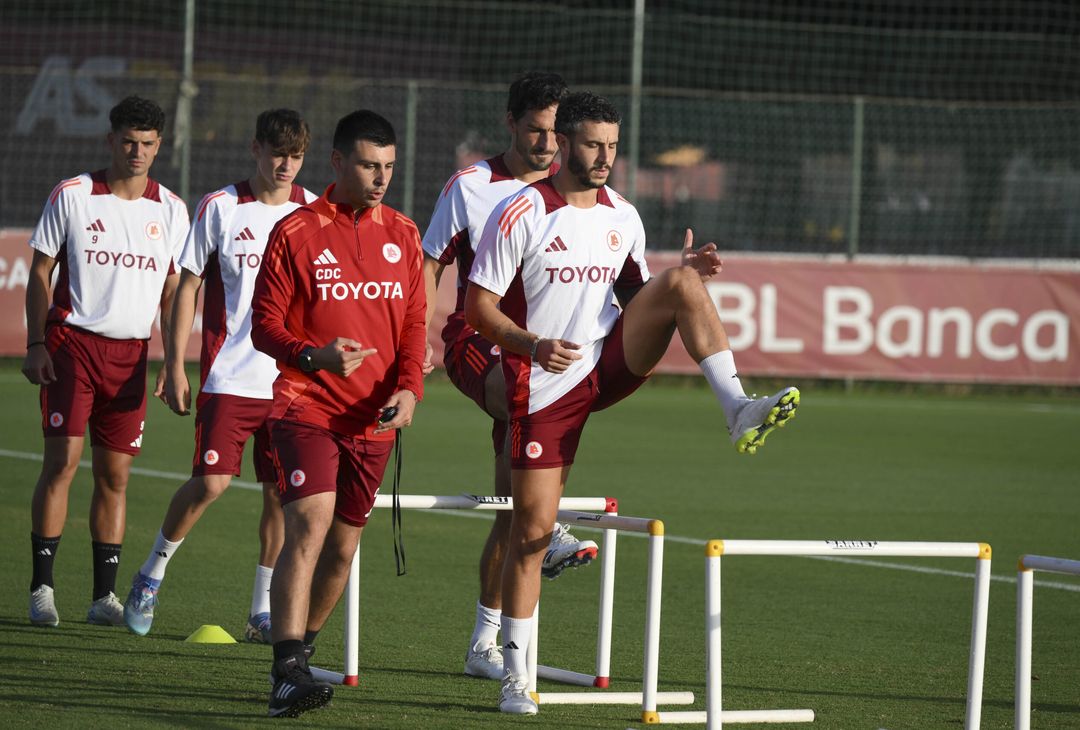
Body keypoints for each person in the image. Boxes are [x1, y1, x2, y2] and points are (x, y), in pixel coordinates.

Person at [464, 91, 801, 714]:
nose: (604, 158)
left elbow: (635, 292)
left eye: (613, 147)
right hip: (542, 383)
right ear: (563, 142)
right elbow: (476, 308)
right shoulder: (521, 212)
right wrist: (531, 345)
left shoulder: (623, 214)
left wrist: (683, 273)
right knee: (532, 532)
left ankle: (737, 409)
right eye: (593, 144)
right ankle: (516, 675)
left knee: (680, 282)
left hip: (606, 363)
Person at [422, 71, 598, 682]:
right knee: (524, 480)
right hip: (478, 339)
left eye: (557, 133)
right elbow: (430, 261)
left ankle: (484, 646)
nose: (549, 145)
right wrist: (412, 340)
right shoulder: (472, 186)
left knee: (508, 507)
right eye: (536, 130)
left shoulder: (573, 195)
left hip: (541, 356)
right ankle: (546, 527)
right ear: (511, 124)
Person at [250, 109, 426, 718]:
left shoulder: (403, 233)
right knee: (309, 526)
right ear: (337, 162)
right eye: (370, 165)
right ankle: (286, 670)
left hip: (374, 421)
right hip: (306, 407)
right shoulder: (296, 231)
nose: (381, 178)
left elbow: (412, 328)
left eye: (389, 167)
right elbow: (264, 328)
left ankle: (302, 658)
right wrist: (314, 355)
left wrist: (409, 392)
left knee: (345, 548)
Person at [122, 109, 318, 641]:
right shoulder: (221, 206)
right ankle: (151, 573)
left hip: (291, 384)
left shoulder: (315, 213)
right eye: (277, 153)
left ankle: (261, 611)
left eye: (296, 156)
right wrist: (175, 362)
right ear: (256, 149)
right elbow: (188, 285)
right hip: (229, 377)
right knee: (210, 483)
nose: (286, 165)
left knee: (281, 495)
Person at [22, 95, 190, 628]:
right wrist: (35, 343)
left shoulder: (172, 209)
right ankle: (42, 589)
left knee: (116, 478)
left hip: (132, 356)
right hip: (72, 347)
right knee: (62, 465)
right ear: (109, 140)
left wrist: (173, 361)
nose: (136, 152)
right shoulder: (73, 195)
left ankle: (103, 598)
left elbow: (171, 294)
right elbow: (40, 274)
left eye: (147, 144)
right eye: (127, 142)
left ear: (159, 146)